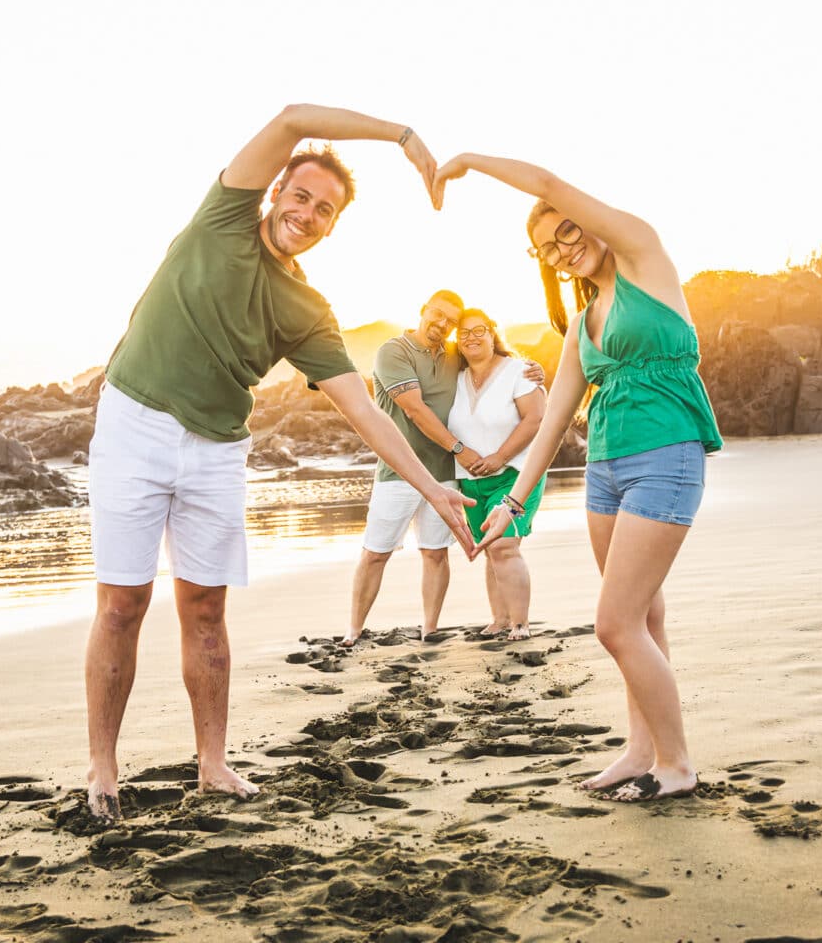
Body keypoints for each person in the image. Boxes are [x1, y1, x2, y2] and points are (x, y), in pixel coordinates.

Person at [84, 105, 475, 821]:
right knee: (122, 603)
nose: (308, 211)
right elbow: (293, 117)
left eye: (324, 209)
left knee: (206, 608)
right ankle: (103, 772)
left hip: (218, 448)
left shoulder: (308, 309)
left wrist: (434, 489)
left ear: (331, 226)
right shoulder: (223, 219)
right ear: (273, 192)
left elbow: (366, 412)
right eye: (300, 195)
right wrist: (402, 136)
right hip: (133, 421)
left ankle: (212, 765)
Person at [431, 152, 724, 803]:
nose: (561, 248)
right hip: (606, 471)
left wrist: (470, 164)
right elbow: (556, 418)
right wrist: (510, 500)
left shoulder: (645, 258)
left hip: (665, 459)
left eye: (567, 231)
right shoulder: (582, 324)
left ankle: (676, 766)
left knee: (614, 625)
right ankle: (640, 751)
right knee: (644, 615)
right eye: (545, 247)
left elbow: (548, 185)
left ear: (590, 222)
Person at [344, 298, 545, 646]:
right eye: (439, 315)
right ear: (423, 310)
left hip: (455, 476)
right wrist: (460, 450)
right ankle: (354, 629)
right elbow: (414, 410)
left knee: (445, 552)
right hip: (401, 472)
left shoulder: (473, 361)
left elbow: (527, 403)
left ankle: (434, 629)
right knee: (376, 552)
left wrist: (534, 372)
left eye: (453, 322)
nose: (445, 324)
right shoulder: (397, 352)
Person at [445, 308, 547, 640]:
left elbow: (536, 418)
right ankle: (500, 619)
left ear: (493, 333)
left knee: (504, 545)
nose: (471, 337)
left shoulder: (518, 370)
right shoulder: (455, 379)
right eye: (464, 332)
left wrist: (500, 456)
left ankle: (520, 622)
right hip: (471, 481)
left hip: (516, 475)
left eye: (479, 330)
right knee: (490, 548)